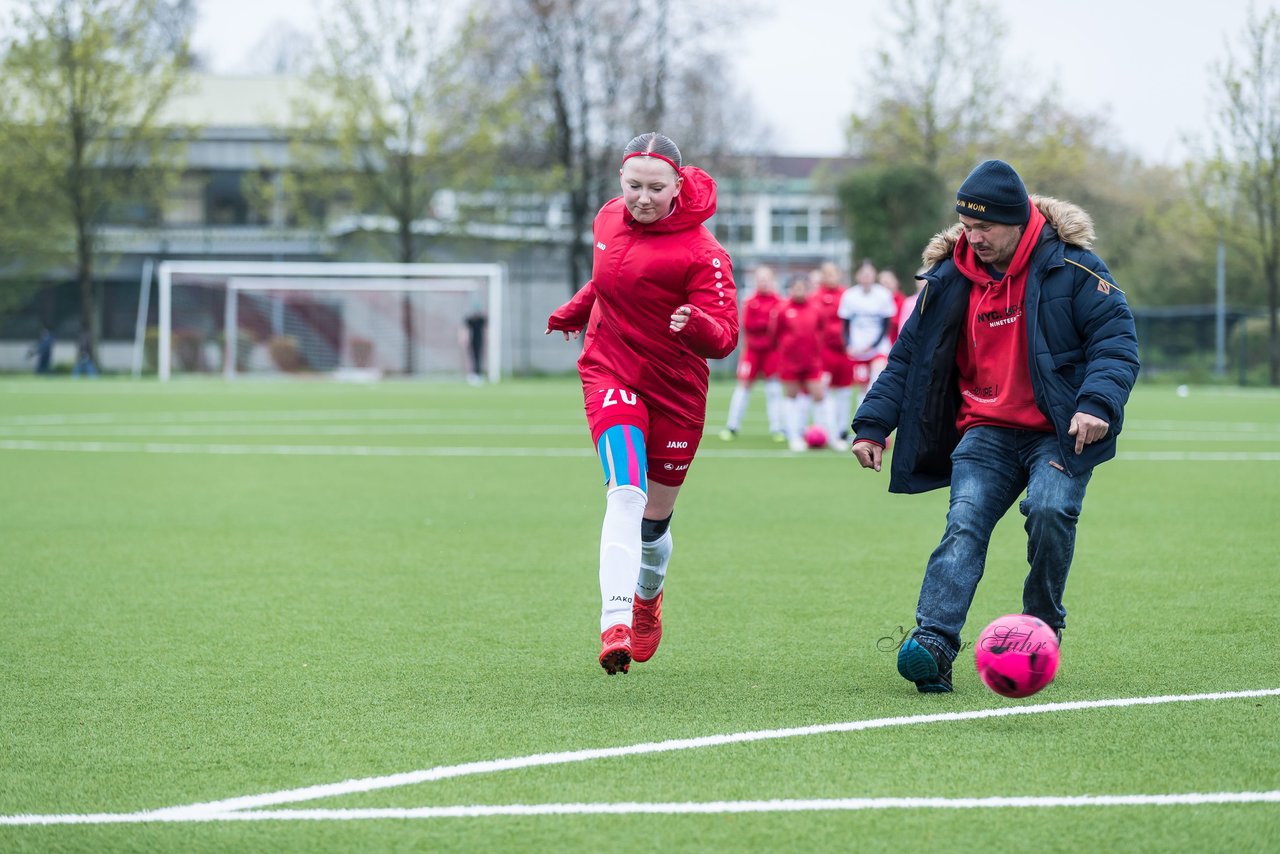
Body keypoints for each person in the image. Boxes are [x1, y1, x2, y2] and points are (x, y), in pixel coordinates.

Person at [849, 159, 1140, 693]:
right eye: (966, 225)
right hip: (985, 430)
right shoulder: (948, 278)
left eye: (985, 228)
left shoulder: (1075, 268)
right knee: (964, 525)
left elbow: (1116, 343)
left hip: (1059, 428)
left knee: (1051, 511)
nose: (973, 236)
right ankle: (934, 642)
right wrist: (872, 424)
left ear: (1019, 221)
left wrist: (1097, 403)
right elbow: (908, 358)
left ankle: (1040, 625)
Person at [546, 132, 738, 675]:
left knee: (653, 527)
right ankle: (616, 623)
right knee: (625, 494)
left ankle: (648, 597)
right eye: (634, 186)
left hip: (676, 391)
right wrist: (576, 309)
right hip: (610, 370)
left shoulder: (705, 254)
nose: (643, 198)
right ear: (620, 182)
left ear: (679, 185)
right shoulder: (606, 219)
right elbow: (609, 280)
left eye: (657, 188)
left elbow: (725, 337)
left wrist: (696, 324)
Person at [720, 265, 785, 443]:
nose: (763, 282)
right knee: (743, 387)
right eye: (760, 279)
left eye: (767, 279)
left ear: (772, 281)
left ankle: (777, 428)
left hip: (772, 352)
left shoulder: (779, 302)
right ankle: (732, 426)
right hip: (753, 352)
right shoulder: (749, 301)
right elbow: (748, 326)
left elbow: (779, 329)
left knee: (774, 389)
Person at [774, 274, 826, 451]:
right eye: (795, 288)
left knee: (819, 395)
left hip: (812, 362)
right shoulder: (782, 309)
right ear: (790, 289)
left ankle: (824, 433)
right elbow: (774, 334)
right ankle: (793, 436)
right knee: (791, 397)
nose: (799, 291)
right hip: (790, 362)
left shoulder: (816, 309)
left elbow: (821, 330)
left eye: (802, 288)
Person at [838, 260, 897, 409]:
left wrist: (873, 345)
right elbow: (845, 324)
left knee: (876, 382)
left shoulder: (883, 295)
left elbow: (886, 325)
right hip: (858, 349)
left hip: (878, 348)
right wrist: (848, 345)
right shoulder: (850, 295)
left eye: (869, 274)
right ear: (857, 276)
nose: (866, 277)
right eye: (863, 274)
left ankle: (878, 423)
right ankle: (862, 423)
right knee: (862, 388)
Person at [809, 261, 851, 450]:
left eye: (833, 273)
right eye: (826, 274)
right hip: (824, 353)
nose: (830, 277)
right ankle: (823, 431)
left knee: (844, 392)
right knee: (822, 393)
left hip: (844, 352)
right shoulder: (815, 297)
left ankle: (842, 430)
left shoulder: (847, 296)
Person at [461, 300, 487, 385]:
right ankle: (472, 374)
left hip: (479, 340)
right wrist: (464, 339)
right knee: (471, 357)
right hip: (471, 340)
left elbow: (487, 329)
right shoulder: (469, 320)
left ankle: (478, 374)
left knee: (478, 357)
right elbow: (465, 330)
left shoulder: (482, 319)